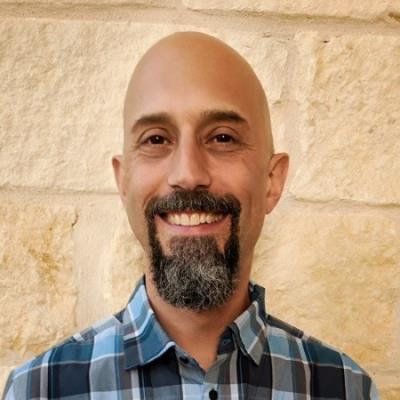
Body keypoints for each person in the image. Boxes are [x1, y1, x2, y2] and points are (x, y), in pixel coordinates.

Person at [2, 32, 378, 400]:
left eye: (222, 138)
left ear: (271, 180)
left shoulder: (345, 389)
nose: (188, 174)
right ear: (124, 182)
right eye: (156, 139)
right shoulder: (39, 390)